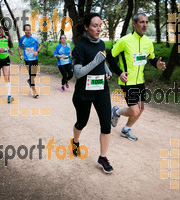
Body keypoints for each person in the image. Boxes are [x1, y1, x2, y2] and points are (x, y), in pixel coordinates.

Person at [106, 13, 166, 141]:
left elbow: (152, 58)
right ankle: (117, 112)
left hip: (140, 81)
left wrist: (158, 65)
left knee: (141, 109)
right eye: (141, 22)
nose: (144, 25)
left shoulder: (148, 42)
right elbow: (110, 56)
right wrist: (119, 73)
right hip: (127, 81)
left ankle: (126, 129)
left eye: (146, 22)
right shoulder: (124, 40)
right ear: (134, 24)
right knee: (134, 111)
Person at [71, 13, 113, 173]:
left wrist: (107, 71)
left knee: (106, 124)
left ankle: (103, 157)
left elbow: (102, 61)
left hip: (101, 90)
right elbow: (78, 73)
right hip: (84, 93)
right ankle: (75, 141)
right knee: (82, 122)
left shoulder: (101, 43)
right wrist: (94, 62)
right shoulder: (79, 48)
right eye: (95, 26)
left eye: (100, 25)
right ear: (87, 27)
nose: (99, 29)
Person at [18, 24, 42, 98]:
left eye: (29, 30)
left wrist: (37, 51)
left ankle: (29, 81)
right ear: (24, 31)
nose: (28, 31)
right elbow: (19, 47)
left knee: (34, 75)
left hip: (35, 58)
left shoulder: (35, 37)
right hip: (27, 59)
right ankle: (34, 91)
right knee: (31, 75)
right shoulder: (22, 39)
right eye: (26, 30)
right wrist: (21, 55)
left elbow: (41, 45)